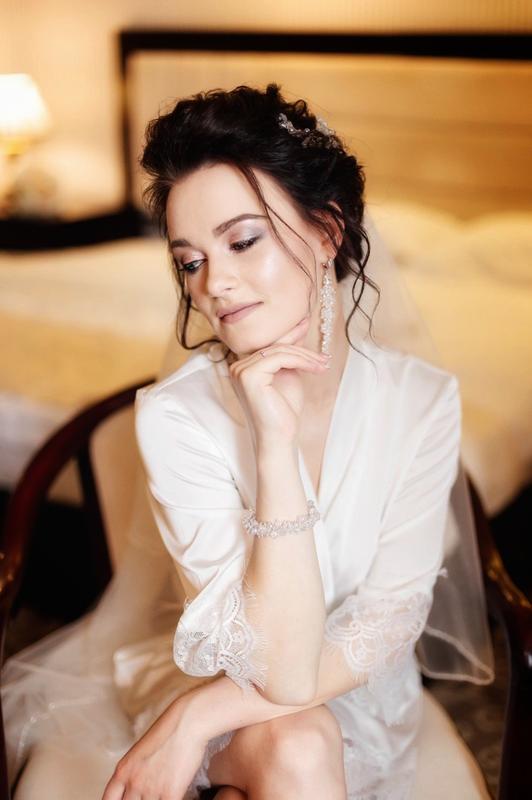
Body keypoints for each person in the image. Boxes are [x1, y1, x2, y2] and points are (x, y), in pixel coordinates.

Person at [1, 83, 493, 800]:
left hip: (353, 687)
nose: (214, 286)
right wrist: (273, 441)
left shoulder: (424, 402)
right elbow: (276, 668)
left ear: (326, 234)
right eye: (190, 260)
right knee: (298, 742)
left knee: (297, 741)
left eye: (241, 241)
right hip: (233, 666)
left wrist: (195, 719)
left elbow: (389, 618)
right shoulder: (175, 417)